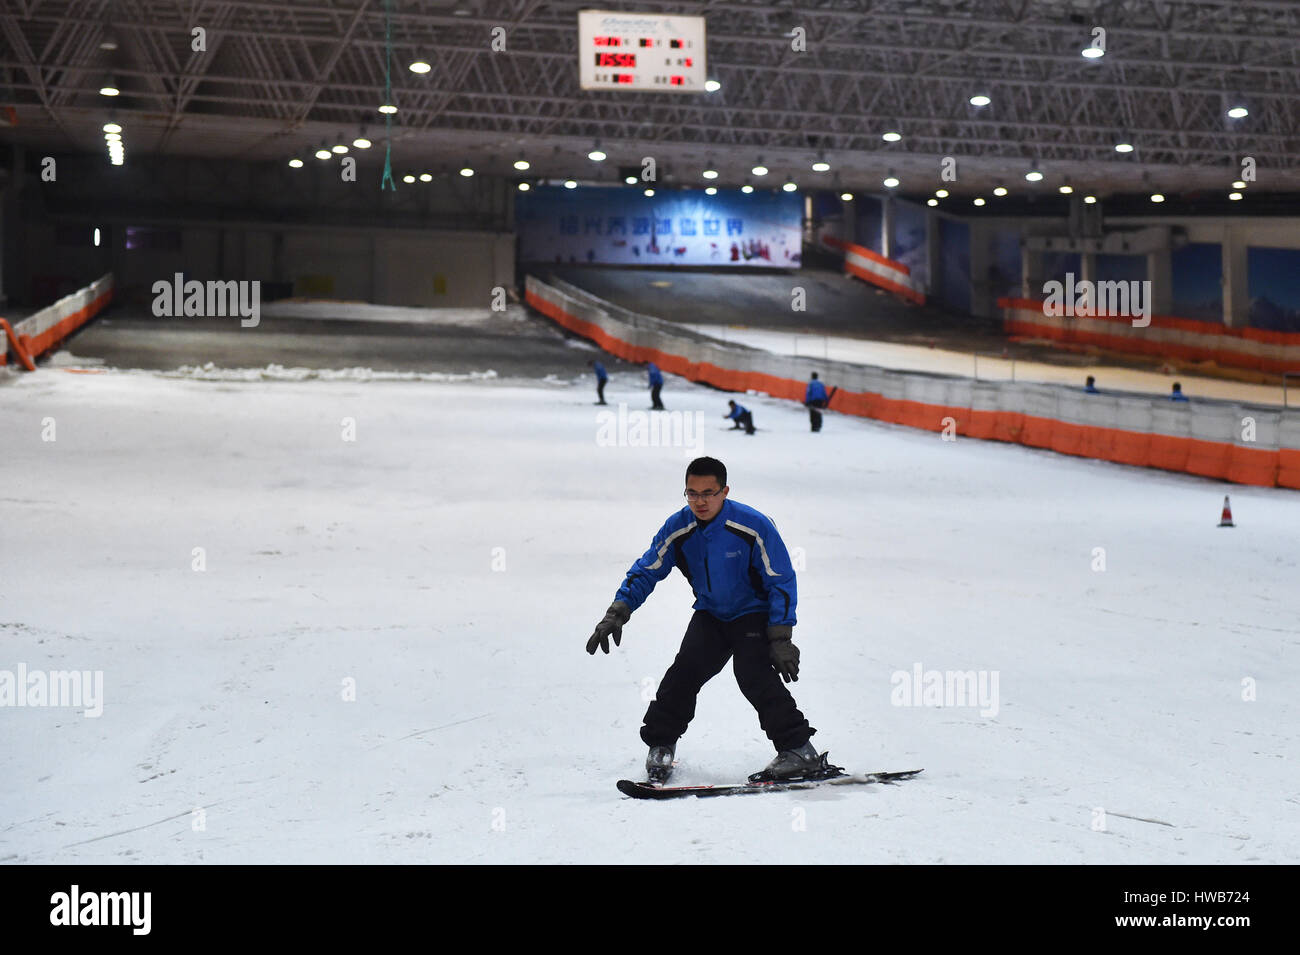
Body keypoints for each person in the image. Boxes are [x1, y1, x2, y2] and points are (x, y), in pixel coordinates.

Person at [586, 456, 820, 783]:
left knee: (752, 674)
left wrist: (781, 637)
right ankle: (661, 745)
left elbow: (779, 579)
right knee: (684, 673)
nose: (700, 501)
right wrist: (617, 613)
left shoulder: (753, 525)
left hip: (753, 613)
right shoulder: (679, 528)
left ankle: (799, 750)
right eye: (692, 493)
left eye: (708, 493)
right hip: (711, 613)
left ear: (725, 491)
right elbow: (646, 571)